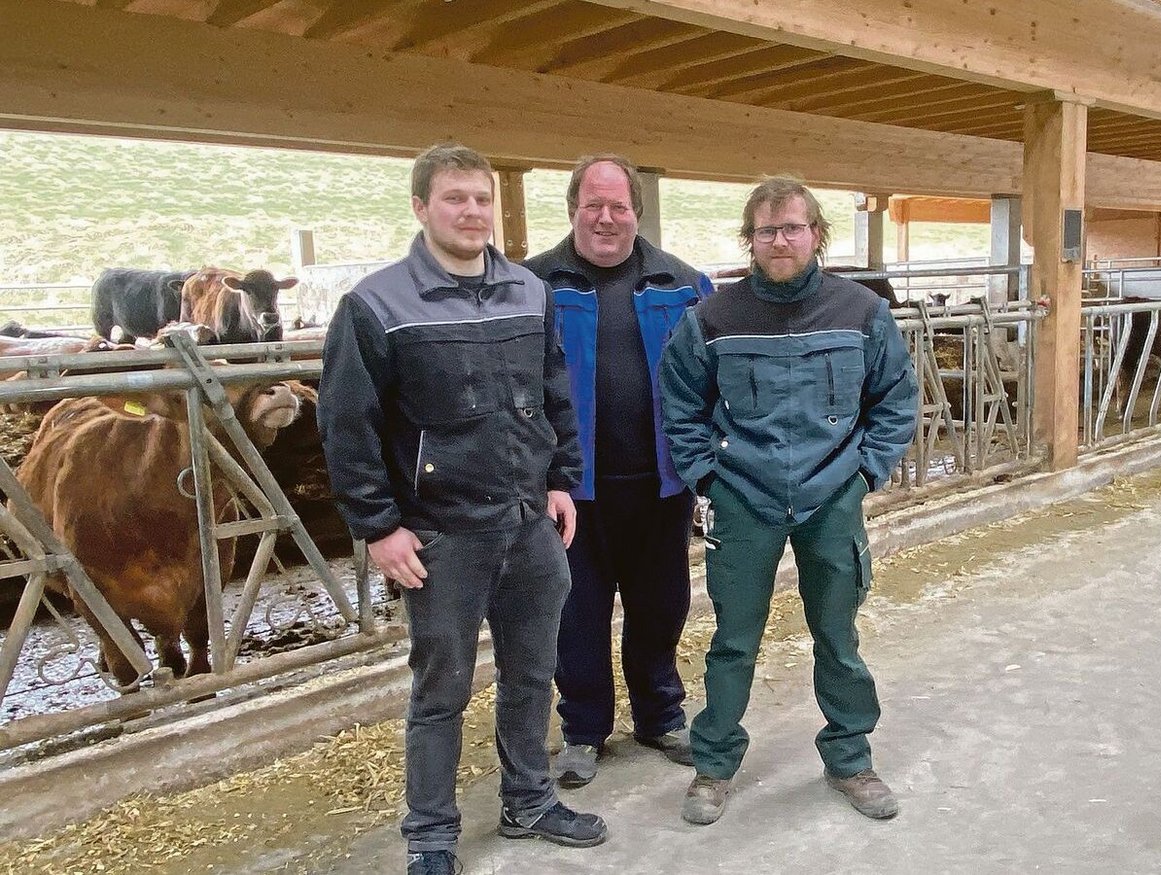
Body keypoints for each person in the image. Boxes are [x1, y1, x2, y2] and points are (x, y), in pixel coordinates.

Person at [318, 143, 607, 875]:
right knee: (440, 687)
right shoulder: (376, 305)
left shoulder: (528, 290)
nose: (472, 211)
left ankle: (529, 800)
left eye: (481, 198)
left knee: (532, 672)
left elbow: (554, 391)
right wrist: (378, 526)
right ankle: (431, 834)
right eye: (455, 198)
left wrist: (561, 479)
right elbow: (347, 424)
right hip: (442, 533)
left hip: (528, 521)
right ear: (421, 207)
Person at [659, 176, 916, 825]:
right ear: (750, 239)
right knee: (734, 640)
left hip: (833, 495)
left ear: (816, 234)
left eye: (792, 228)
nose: (780, 241)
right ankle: (714, 765)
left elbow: (895, 398)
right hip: (744, 495)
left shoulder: (861, 311)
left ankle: (850, 758)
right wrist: (708, 478)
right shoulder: (713, 318)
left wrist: (865, 473)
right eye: (767, 230)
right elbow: (681, 405)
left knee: (837, 634)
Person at [524, 154, 713, 788]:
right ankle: (583, 728)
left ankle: (660, 715)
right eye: (593, 206)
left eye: (619, 206)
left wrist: (706, 461)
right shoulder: (532, 285)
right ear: (572, 209)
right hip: (570, 492)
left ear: (636, 210)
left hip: (660, 484)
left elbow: (713, 378)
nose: (606, 218)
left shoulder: (682, 284)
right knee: (575, 613)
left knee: (662, 606)